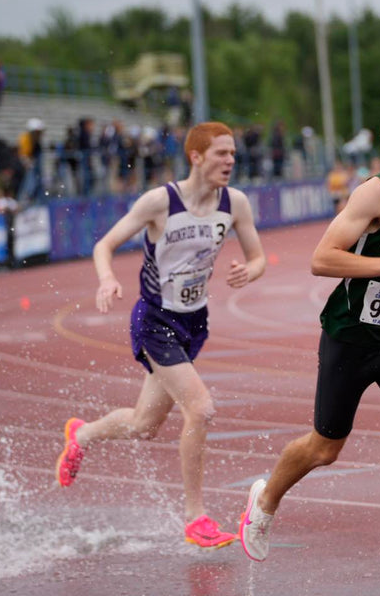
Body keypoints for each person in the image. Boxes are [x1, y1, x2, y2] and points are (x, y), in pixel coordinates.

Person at [238, 95, 380, 596]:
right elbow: (322, 259)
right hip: (349, 339)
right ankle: (265, 499)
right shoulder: (373, 196)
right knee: (325, 447)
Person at [54, 121, 266, 549]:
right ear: (196, 156)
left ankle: (82, 435)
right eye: (222, 154)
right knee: (201, 409)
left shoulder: (235, 203)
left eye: (233, 154)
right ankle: (195, 517)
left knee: (144, 424)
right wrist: (106, 279)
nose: (230, 161)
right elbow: (104, 245)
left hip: (194, 321)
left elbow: (258, 256)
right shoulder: (160, 201)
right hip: (154, 320)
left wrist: (250, 270)